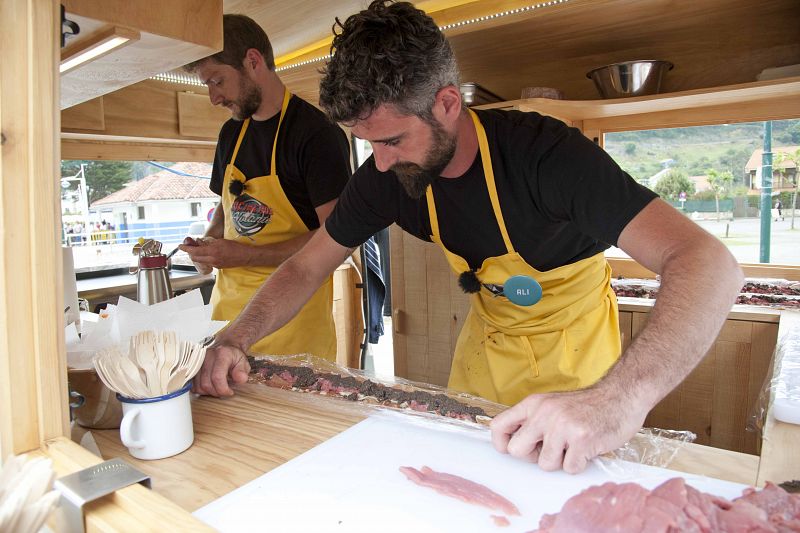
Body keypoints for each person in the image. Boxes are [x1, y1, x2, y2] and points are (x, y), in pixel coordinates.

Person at [196, 1, 743, 473]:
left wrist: (618, 401)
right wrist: (234, 339)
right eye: (368, 144)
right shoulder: (384, 175)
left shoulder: (546, 157)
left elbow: (708, 261)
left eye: (391, 140)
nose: (380, 165)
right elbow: (305, 267)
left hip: (576, 355)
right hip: (488, 345)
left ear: (448, 104)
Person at [179, 14, 351, 361]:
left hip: (292, 330)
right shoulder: (231, 134)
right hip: (226, 323)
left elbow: (336, 238)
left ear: (253, 61)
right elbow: (225, 215)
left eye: (217, 81)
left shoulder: (315, 134)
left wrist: (243, 255)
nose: (214, 97)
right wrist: (207, 245)